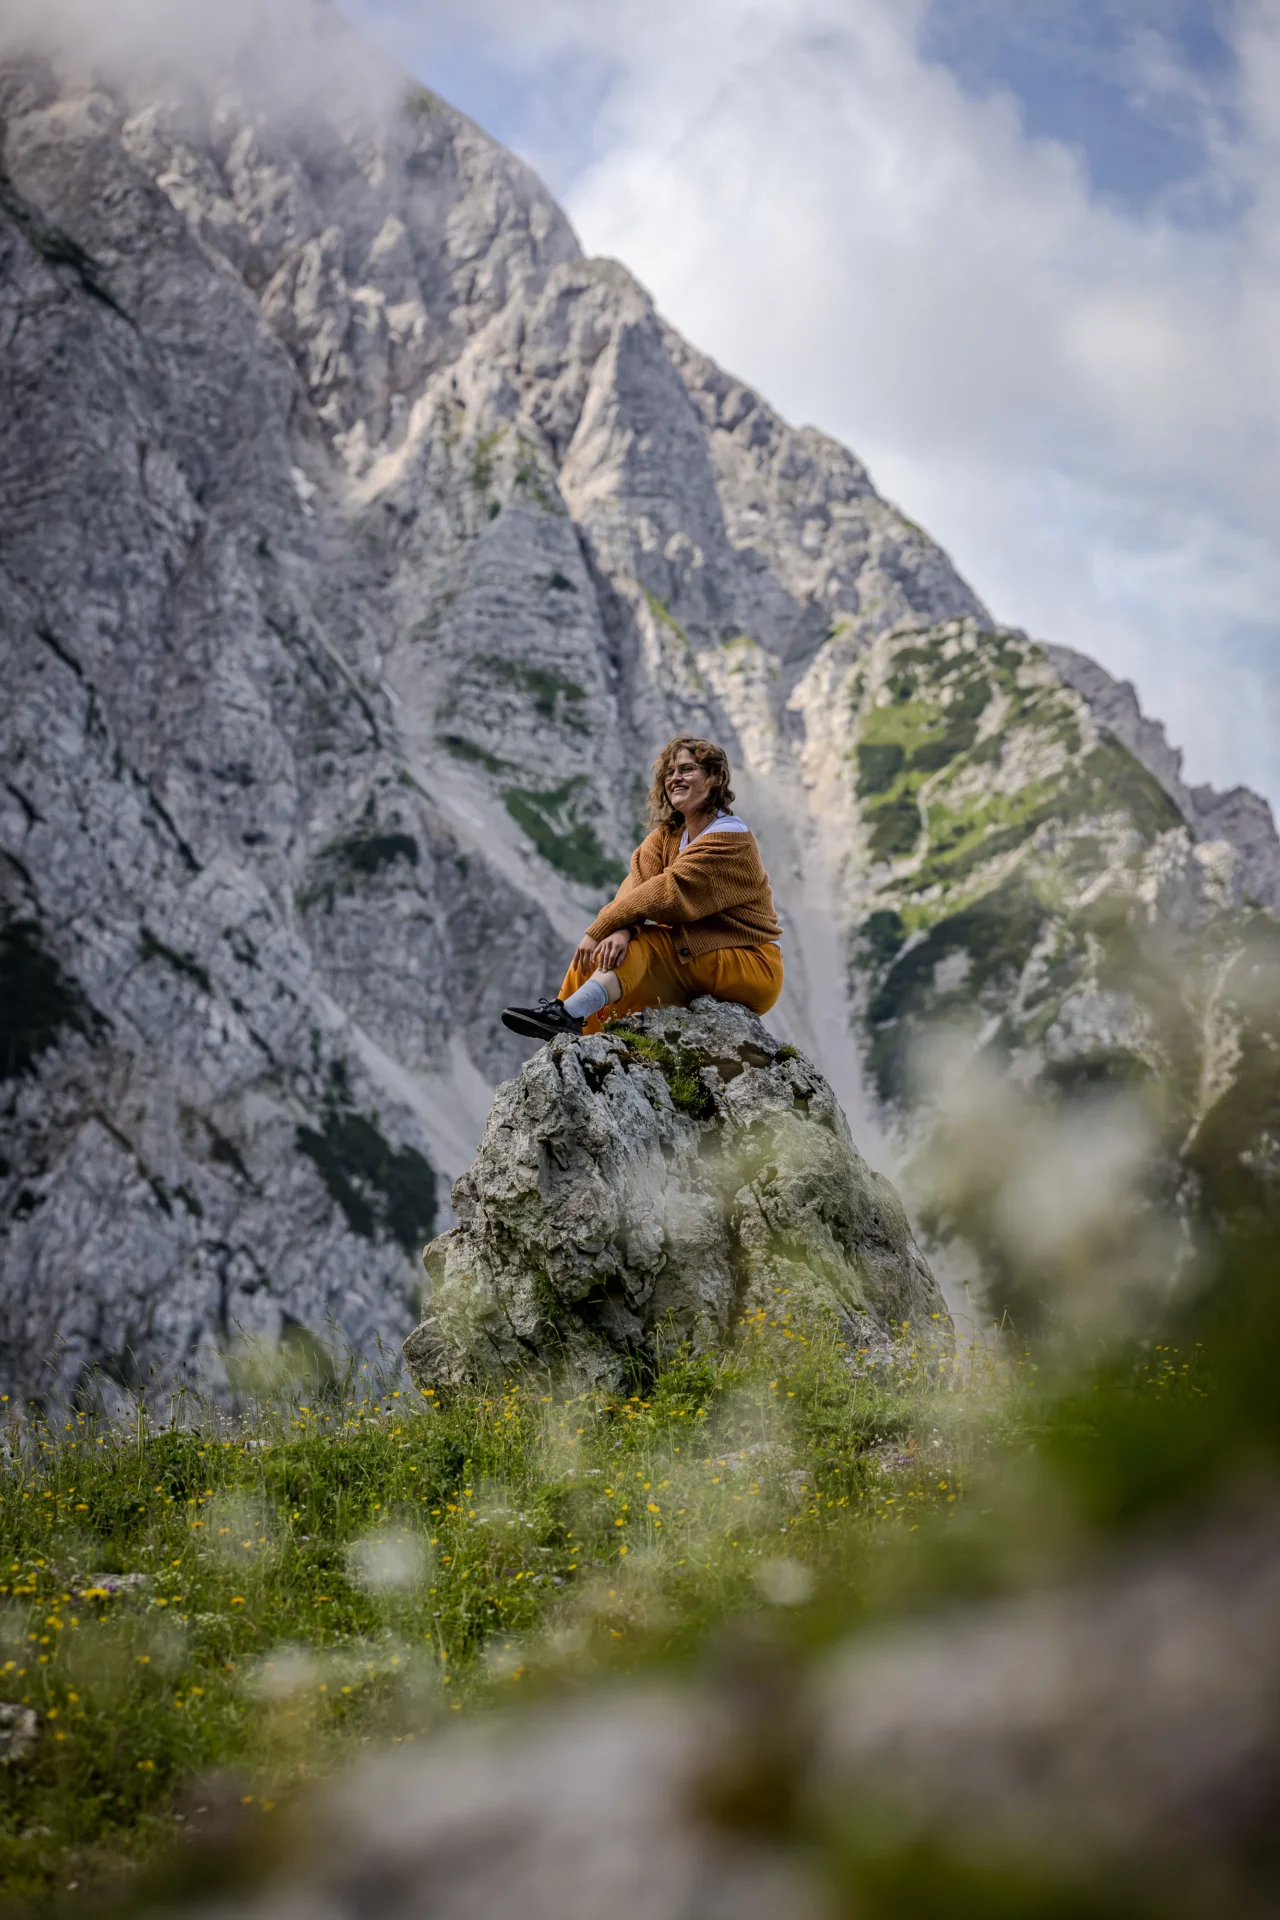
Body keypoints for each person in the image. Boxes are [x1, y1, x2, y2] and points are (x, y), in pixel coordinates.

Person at [501, 736, 784, 1041]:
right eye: (670, 772)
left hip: (752, 965)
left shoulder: (730, 838)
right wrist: (618, 931)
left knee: (645, 943)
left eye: (687, 769)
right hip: (697, 961)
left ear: (714, 778)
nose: (675, 778)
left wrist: (599, 927)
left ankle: (568, 1015)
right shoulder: (667, 837)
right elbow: (635, 887)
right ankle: (570, 1032)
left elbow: (669, 892)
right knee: (606, 952)